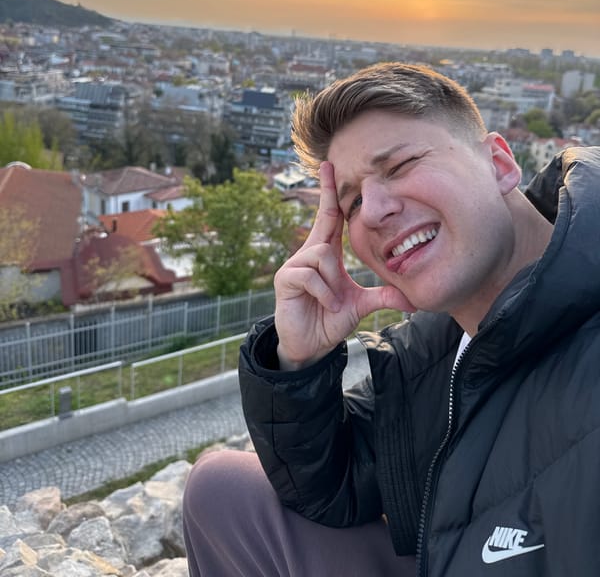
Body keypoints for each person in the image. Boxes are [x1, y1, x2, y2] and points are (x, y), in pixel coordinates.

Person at [183, 62, 600, 576]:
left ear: (498, 163)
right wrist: (299, 362)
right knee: (219, 491)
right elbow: (333, 488)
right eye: (352, 201)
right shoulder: (444, 344)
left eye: (399, 166)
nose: (375, 211)